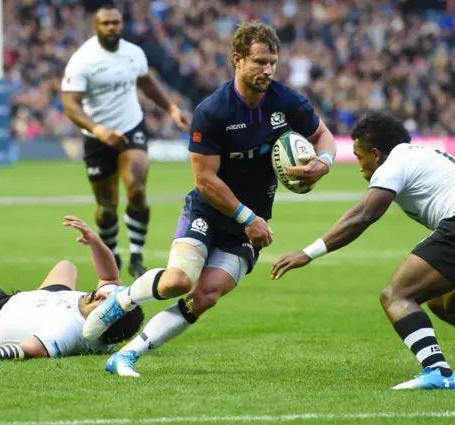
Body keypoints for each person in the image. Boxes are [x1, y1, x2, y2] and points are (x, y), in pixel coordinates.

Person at [82, 20, 337, 377]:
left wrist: (323, 163)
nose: (268, 70)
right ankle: (123, 298)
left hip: (250, 226)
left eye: (273, 63)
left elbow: (323, 135)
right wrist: (249, 219)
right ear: (237, 59)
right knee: (178, 282)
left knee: (206, 296)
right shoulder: (212, 112)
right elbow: (204, 180)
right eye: (260, 62)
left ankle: (126, 355)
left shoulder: (287, 102)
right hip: (211, 211)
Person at [271, 111, 455, 390]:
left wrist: (308, 253)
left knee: (396, 295)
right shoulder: (427, 155)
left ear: (377, 154)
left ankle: (439, 371)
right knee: (446, 303)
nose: (358, 166)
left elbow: (363, 215)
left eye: (359, 156)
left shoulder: (397, 161)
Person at [61, 5, 190, 279]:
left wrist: (172, 109)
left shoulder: (133, 53)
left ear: (122, 25)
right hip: (97, 138)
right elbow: (70, 105)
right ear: (95, 27)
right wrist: (98, 129)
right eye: (106, 23)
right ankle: (112, 254)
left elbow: (147, 83)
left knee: (137, 189)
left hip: (132, 128)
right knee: (107, 207)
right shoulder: (83, 59)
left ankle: (137, 254)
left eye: (116, 23)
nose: (112, 28)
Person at [0, 216, 144, 363]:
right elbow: (109, 277)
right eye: (108, 295)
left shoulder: (69, 330)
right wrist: (95, 241)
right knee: (66, 266)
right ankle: (37, 305)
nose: (101, 293)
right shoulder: (106, 314)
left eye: (104, 302)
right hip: (48, 300)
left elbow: (29, 349)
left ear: (104, 322)